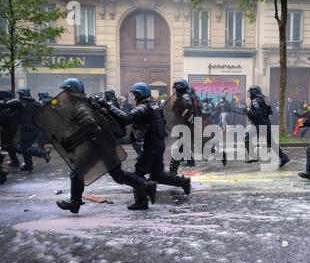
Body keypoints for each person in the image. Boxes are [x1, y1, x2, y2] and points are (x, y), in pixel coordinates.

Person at [55, 78, 157, 214]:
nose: (64, 93)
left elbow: (90, 126)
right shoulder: (81, 103)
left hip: (99, 145)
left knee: (78, 173)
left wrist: (74, 139)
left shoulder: (81, 105)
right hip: (103, 144)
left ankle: (75, 203)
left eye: (65, 90)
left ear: (71, 91)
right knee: (117, 175)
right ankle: (147, 185)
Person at [99, 82, 192, 210]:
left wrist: (107, 106)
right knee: (157, 175)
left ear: (139, 95)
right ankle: (182, 182)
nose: (133, 98)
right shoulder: (154, 105)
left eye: (134, 95)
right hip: (158, 143)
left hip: (152, 145)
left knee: (138, 175)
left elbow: (126, 119)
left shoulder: (143, 108)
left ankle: (141, 202)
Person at [0, 88, 51, 171]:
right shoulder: (36, 104)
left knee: (23, 148)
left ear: (20, 95)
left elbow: (4, 105)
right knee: (25, 147)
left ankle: (42, 153)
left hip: (25, 129)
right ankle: (28, 165)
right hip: (35, 128)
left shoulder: (19, 102)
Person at [244, 85, 290, 167]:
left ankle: (253, 156)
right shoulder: (262, 99)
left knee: (247, 138)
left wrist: (248, 110)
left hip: (260, 124)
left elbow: (257, 114)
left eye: (250, 92)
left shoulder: (255, 101)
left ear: (254, 92)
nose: (249, 94)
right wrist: (248, 112)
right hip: (265, 123)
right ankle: (283, 157)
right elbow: (269, 112)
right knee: (271, 142)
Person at [0, 90, 19, 168]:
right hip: (8, 127)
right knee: (7, 145)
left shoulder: (9, 103)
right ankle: (15, 161)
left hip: (8, 127)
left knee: (7, 145)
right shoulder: (12, 102)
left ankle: (28, 151)